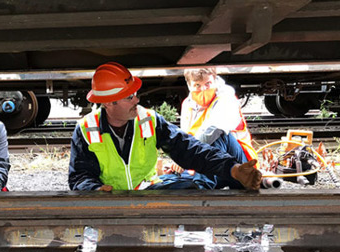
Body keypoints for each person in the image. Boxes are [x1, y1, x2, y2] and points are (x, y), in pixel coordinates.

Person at [68, 62, 261, 191]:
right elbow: (79, 176)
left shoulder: (149, 120)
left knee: (191, 188)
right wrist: (94, 190)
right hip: (110, 202)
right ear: (109, 103)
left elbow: (190, 149)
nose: (137, 99)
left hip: (146, 192)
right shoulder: (86, 129)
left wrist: (231, 168)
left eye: (135, 93)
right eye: (129, 96)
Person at [180, 68, 257, 161]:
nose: (203, 89)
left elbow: (212, 131)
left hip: (239, 160)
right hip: (201, 158)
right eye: (197, 85)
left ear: (215, 81)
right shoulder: (187, 104)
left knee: (216, 136)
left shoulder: (226, 98)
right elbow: (184, 138)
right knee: (170, 174)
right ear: (189, 86)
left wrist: (188, 156)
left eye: (208, 84)